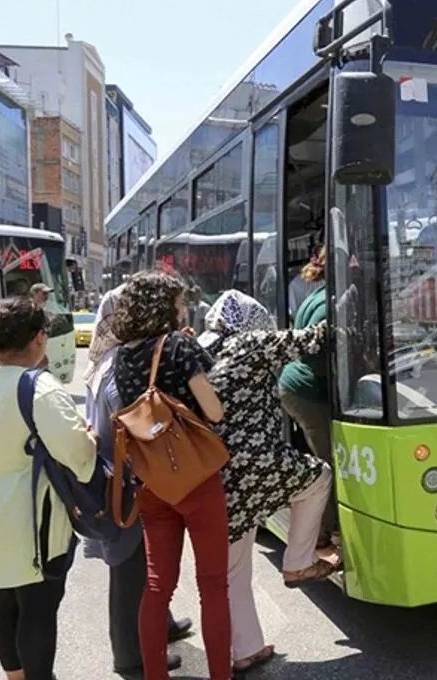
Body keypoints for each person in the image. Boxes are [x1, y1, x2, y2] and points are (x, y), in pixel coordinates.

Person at [198, 290, 337, 674]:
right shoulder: (252, 343)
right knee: (318, 476)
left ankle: (247, 649)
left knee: (235, 571)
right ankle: (299, 561)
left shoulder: (202, 347)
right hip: (257, 462)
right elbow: (316, 338)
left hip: (215, 474)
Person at [0, 298, 98, 680]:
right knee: (39, 607)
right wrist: (92, 440)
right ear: (38, 338)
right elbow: (78, 454)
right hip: (31, 518)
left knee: (8, 602)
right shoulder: (38, 387)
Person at [112, 271, 231, 680]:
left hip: (152, 481)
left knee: (157, 586)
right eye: (179, 301)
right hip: (196, 477)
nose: (183, 307)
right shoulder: (180, 345)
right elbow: (213, 411)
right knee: (213, 585)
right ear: (166, 305)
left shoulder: (122, 353)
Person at [83, 287, 190, 677]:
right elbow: (132, 422)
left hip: (116, 479)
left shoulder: (104, 358)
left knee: (137, 569)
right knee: (130, 571)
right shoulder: (118, 364)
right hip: (125, 484)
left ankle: (157, 629)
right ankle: (131, 657)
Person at [277, 249, 339, 551]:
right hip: (307, 390)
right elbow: (320, 358)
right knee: (329, 465)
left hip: (295, 386)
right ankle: (322, 534)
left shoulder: (319, 294)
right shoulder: (332, 303)